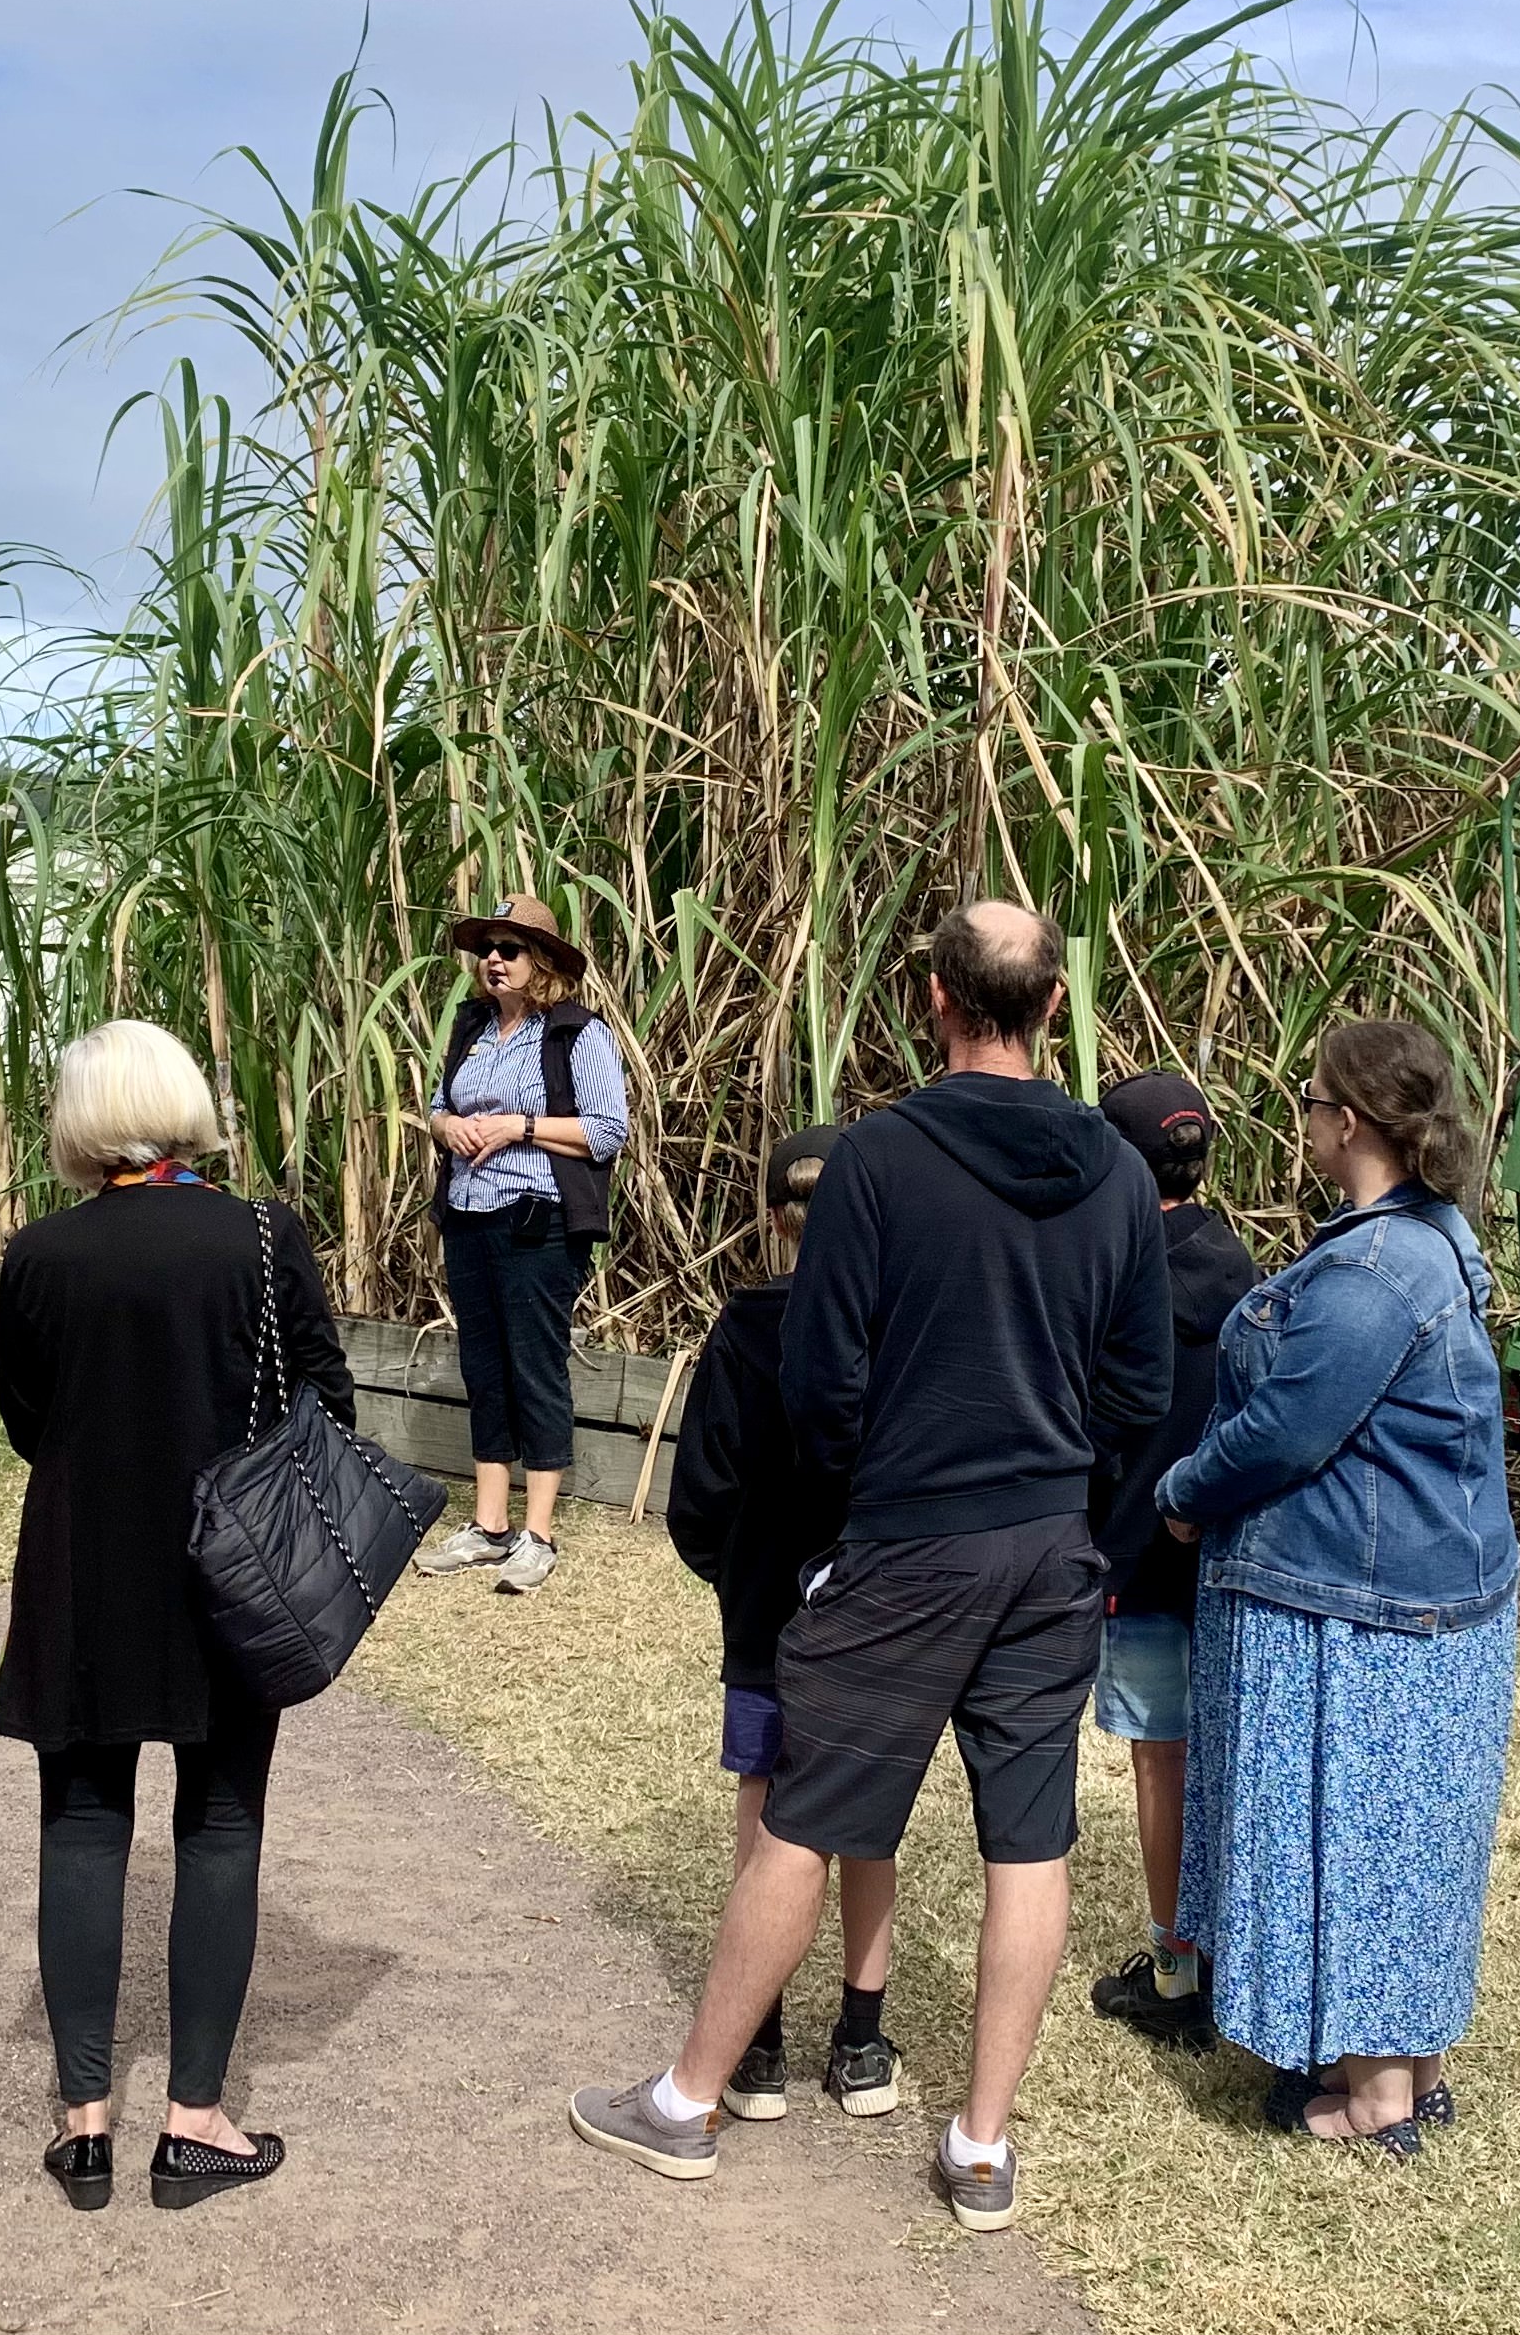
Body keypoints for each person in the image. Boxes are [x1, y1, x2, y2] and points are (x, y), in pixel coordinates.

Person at [573, 900, 1167, 2231]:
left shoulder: (881, 1161)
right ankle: (980, 2142)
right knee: (1030, 1841)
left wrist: (872, 1502)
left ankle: (686, 2101)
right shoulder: (1122, 1174)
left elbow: (819, 1384)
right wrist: (1083, 1520)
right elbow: (1140, 1388)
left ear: (936, 1003)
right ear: (1046, 1007)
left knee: (804, 1811)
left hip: (905, 1541)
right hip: (1050, 1548)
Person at [0, 1018, 346, 2213]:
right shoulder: (260, 1235)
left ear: (82, 1118)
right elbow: (325, 1402)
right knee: (223, 1822)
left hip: (83, 1571)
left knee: (81, 1824)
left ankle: (83, 2121)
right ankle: (196, 2118)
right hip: (231, 1576)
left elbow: (28, 1422)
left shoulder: (40, 1254)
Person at [1155, 1024, 1508, 2154]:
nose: (1301, 1117)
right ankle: (1406, 2062)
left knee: (1355, 1836)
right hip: (1418, 1591)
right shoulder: (1428, 1237)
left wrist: (1180, 1490)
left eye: (1311, 1102)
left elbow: (1285, 1430)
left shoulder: (1373, 1271)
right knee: (1409, 1846)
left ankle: (1372, 2094)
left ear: (1349, 1121)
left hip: (1359, 1604)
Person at [663, 1123, 903, 2124]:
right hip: (874, 1613)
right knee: (869, 1824)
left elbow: (698, 1493)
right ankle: (860, 2037)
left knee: (763, 1812)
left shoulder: (742, 1326)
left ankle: (757, 2040)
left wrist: (739, 1577)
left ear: (773, 1220)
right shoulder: (900, 1331)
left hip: (763, 1609)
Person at [1083, 1069, 1258, 2051]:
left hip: (1138, 1559)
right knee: (1218, 1763)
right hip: (1226, 1565)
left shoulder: (1116, 1273)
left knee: (1161, 1763)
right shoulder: (1240, 1267)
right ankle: (1231, 1951)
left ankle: (1177, 1964)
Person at [410, 892, 628, 1597]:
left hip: (535, 1217)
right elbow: (441, 1106)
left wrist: (518, 1128)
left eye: (509, 949)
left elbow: (605, 1130)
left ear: (542, 963)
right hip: (469, 1213)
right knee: (485, 1366)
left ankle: (537, 1534)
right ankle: (489, 1524)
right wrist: (450, 1129)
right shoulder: (472, 1028)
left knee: (535, 1366)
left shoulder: (575, 1034)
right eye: (486, 950)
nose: (493, 961)